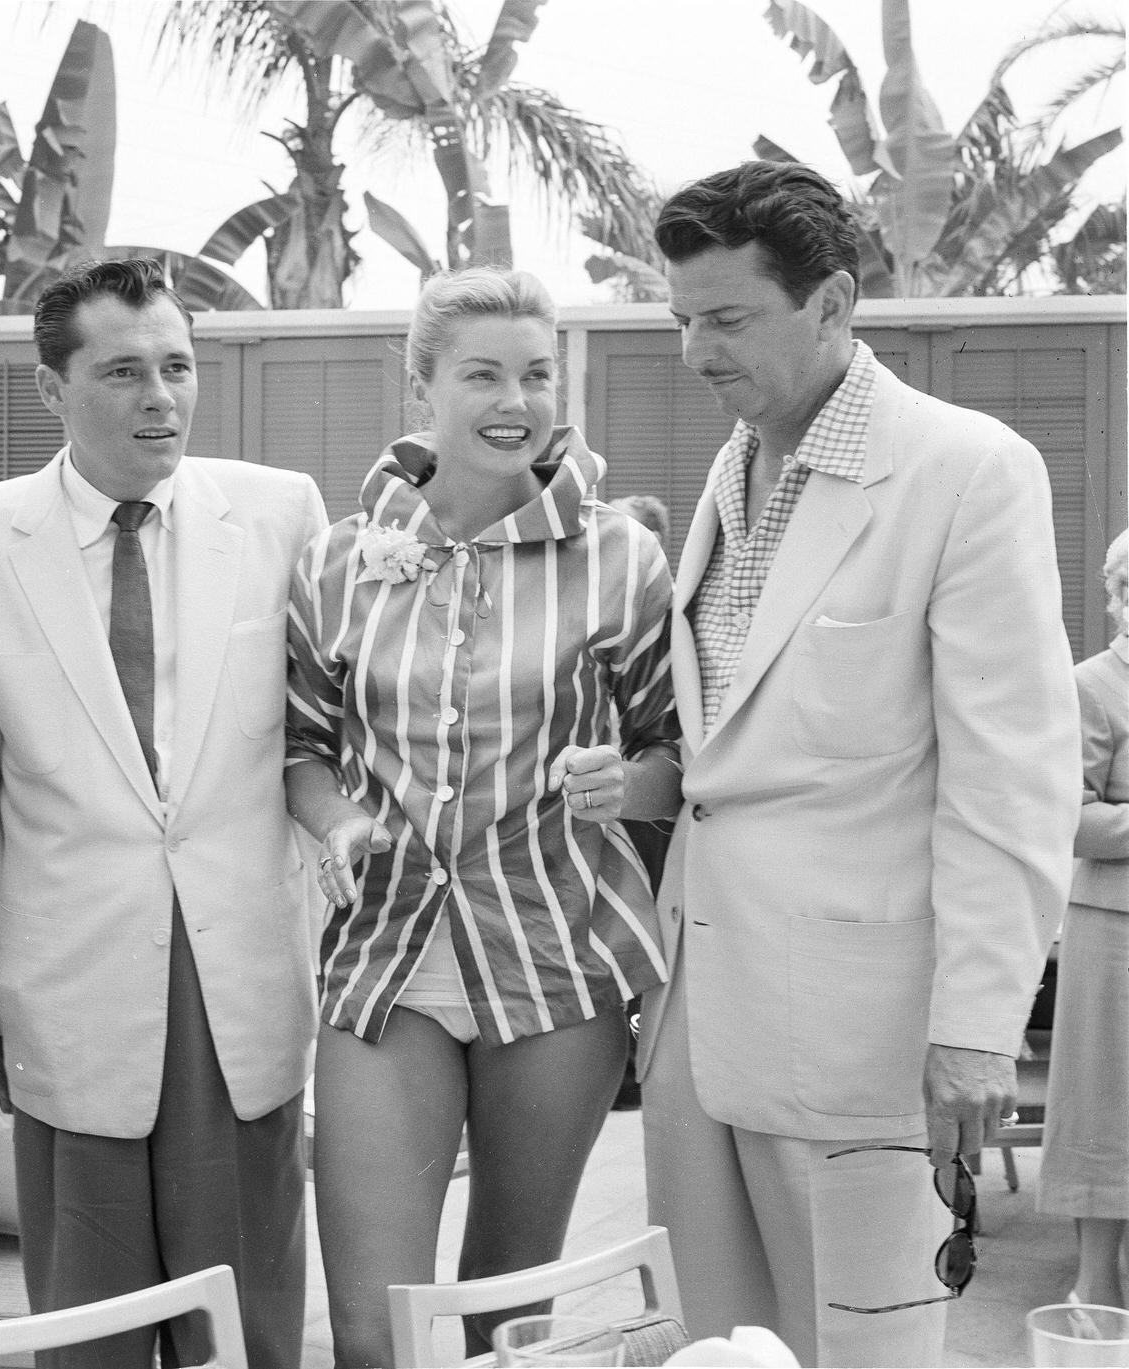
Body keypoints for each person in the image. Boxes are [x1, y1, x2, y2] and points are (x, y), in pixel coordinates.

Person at [633, 161, 1083, 1368]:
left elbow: (1011, 772)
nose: (693, 353)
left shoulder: (965, 469)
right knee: (717, 1349)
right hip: (696, 1019)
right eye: (680, 319)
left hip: (863, 1034)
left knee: (861, 1349)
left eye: (724, 320)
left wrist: (979, 1026)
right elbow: (734, 749)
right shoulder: (729, 472)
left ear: (831, 302)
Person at [0, 258, 325, 1369]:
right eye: (124, 371)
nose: (161, 397)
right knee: (86, 1326)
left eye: (178, 367)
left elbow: (313, 746)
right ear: (52, 388)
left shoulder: (282, 513)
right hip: (69, 985)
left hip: (241, 977)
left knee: (247, 1321)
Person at [285, 266, 683, 1369]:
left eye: (537, 373)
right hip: (384, 961)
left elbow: (674, 753)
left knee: (507, 1319)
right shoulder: (333, 563)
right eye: (482, 374)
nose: (515, 398)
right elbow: (303, 752)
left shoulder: (621, 557)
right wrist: (336, 825)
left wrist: (627, 784)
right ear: (421, 385)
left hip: (558, 964)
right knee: (372, 1327)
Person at [1038, 528, 1129, 1308]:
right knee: (1106, 1106)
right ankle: (1095, 1286)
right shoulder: (1090, 684)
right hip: (1114, 932)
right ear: (1116, 597)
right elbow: (1069, 817)